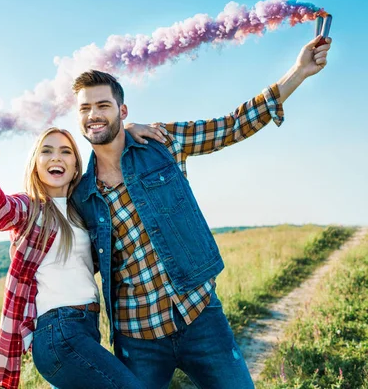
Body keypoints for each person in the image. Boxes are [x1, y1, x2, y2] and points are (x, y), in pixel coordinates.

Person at [69, 35, 332, 388]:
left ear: (123, 111)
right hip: (137, 337)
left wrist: (298, 73)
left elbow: (231, 126)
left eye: (102, 105)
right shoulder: (82, 192)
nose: (93, 115)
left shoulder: (162, 142)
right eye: (85, 109)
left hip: (199, 314)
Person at [0, 125, 161, 389]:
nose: (56, 157)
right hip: (58, 332)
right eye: (47, 151)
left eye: (65, 151)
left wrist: (126, 132)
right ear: (35, 163)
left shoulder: (84, 211)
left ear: (75, 165)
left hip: (88, 328)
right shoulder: (30, 208)